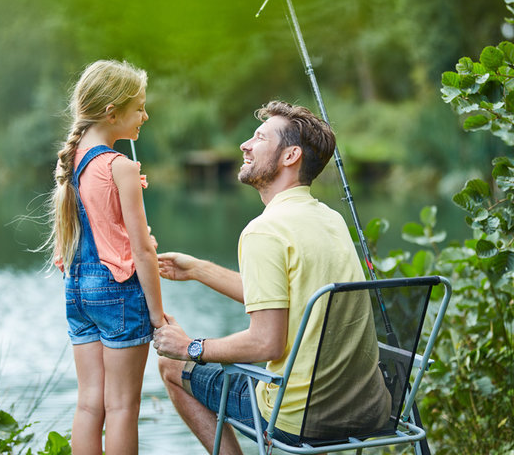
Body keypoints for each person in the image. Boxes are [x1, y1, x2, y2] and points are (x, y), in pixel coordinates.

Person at [153, 101, 391, 454]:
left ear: (290, 155)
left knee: (172, 366)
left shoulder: (264, 231)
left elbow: (266, 344)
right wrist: (198, 270)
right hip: (371, 411)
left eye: (259, 138)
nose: (244, 145)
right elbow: (283, 300)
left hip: (300, 418)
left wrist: (190, 347)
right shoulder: (329, 219)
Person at [46, 59, 166, 455]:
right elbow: (143, 250)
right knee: (122, 408)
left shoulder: (72, 160)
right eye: (139, 108)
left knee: (89, 402)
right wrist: (157, 315)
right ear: (112, 112)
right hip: (118, 292)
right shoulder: (120, 166)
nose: (145, 115)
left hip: (78, 292)